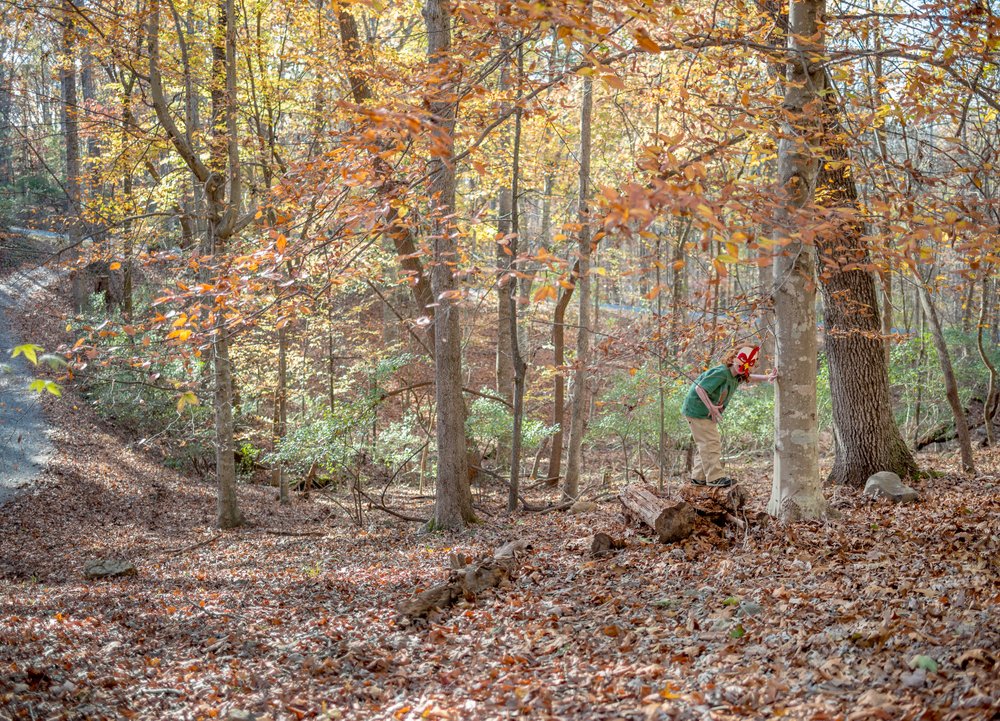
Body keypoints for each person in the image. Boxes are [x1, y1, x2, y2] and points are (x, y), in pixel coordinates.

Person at [680, 345, 777, 487]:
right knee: (711, 443)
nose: (742, 367)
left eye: (747, 365)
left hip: (705, 413)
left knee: (706, 443)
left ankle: (698, 477)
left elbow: (749, 378)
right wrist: (711, 406)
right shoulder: (722, 372)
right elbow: (699, 388)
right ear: (734, 357)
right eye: (741, 361)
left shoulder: (737, 376)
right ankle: (714, 478)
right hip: (697, 410)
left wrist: (766, 377)